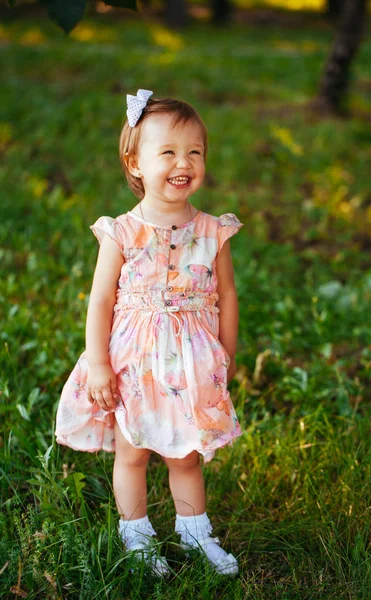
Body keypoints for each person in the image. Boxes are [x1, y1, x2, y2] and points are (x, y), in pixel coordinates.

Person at [55, 89, 244, 578]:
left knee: (187, 455)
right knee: (133, 451)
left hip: (194, 361)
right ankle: (137, 535)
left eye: (194, 152)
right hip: (134, 361)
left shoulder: (212, 230)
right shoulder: (121, 232)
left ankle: (195, 532)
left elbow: (226, 295)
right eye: (168, 152)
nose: (183, 163)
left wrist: (227, 354)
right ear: (134, 163)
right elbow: (100, 301)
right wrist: (97, 363)